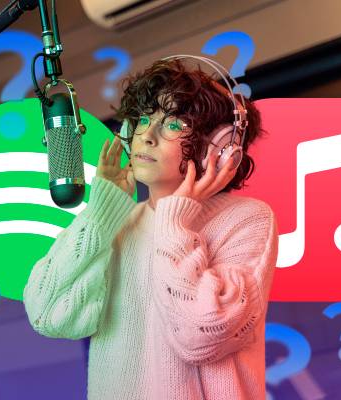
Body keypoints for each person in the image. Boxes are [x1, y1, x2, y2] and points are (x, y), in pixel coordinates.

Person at [23, 57, 279, 400]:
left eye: (172, 124)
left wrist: (174, 221)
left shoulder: (246, 219)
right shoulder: (117, 225)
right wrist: (102, 212)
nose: (146, 136)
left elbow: (201, 336)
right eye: (143, 119)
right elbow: (49, 315)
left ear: (218, 148)